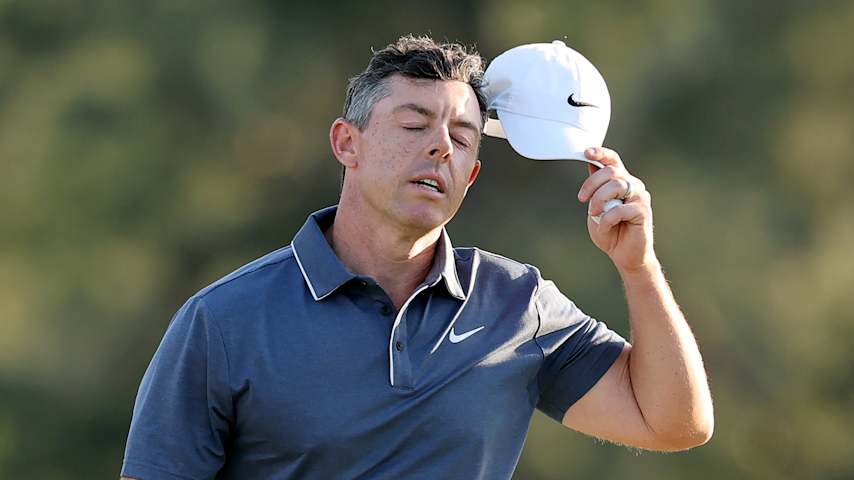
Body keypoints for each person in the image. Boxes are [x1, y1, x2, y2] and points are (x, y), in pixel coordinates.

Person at [121, 35, 713, 480]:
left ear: (472, 175)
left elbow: (674, 423)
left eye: (461, 137)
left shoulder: (519, 307)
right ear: (346, 143)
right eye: (414, 124)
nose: (440, 146)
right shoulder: (223, 321)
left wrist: (639, 268)